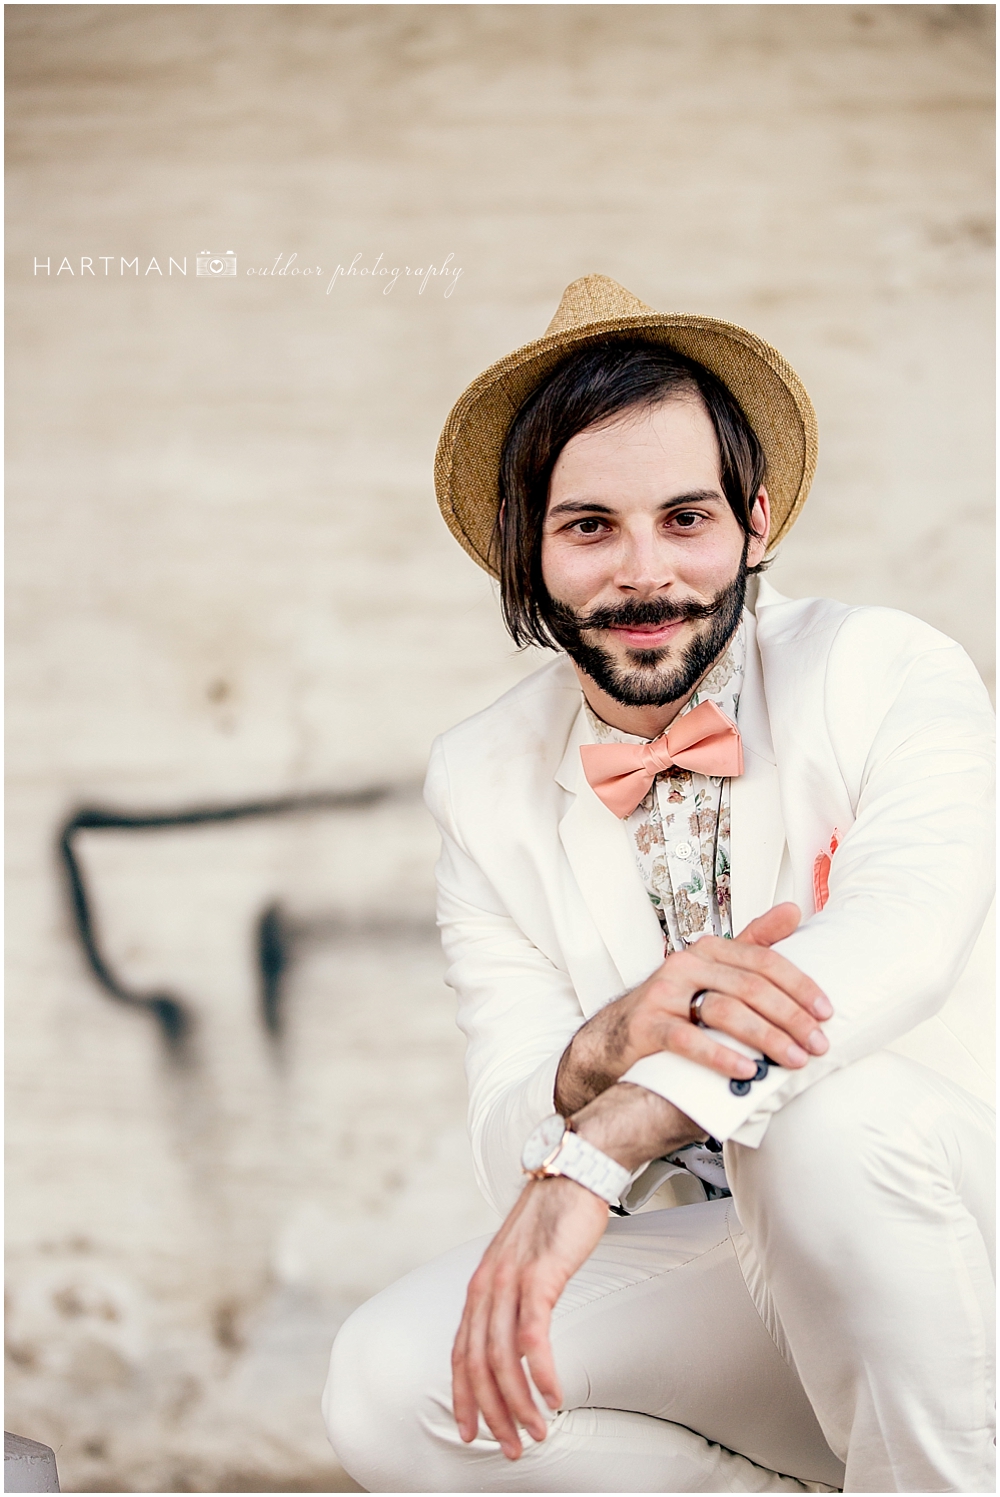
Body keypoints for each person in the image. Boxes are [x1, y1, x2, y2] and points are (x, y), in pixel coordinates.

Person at [322, 275, 995, 1493]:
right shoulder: (480, 777)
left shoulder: (882, 668)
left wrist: (617, 1129)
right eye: (589, 526)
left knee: (821, 1118)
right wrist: (603, 1047)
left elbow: (907, 938)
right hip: (750, 1274)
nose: (645, 574)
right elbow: (503, 1128)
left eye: (685, 518)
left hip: (962, 1245)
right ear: (521, 545)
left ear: (756, 518)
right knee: (393, 1380)